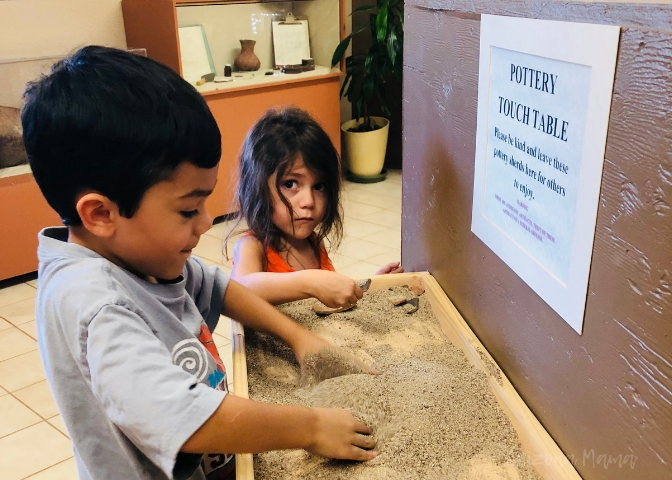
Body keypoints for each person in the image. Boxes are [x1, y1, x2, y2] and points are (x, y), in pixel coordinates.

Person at [22, 46, 376, 480]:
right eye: (189, 211)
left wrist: (297, 337)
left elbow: (217, 287)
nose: (207, 223)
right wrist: (313, 425)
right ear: (101, 214)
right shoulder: (97, 304)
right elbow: (186, 417)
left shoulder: (140, 257)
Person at [228, 107, 404, 308]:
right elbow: (239, 289)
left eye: (318, 186)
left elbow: (328, 303)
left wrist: (367, 288)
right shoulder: (253, 246)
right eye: (290, 184)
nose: (309, 201)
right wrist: (310, 282)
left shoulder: (314, 244)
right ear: (257, 187)